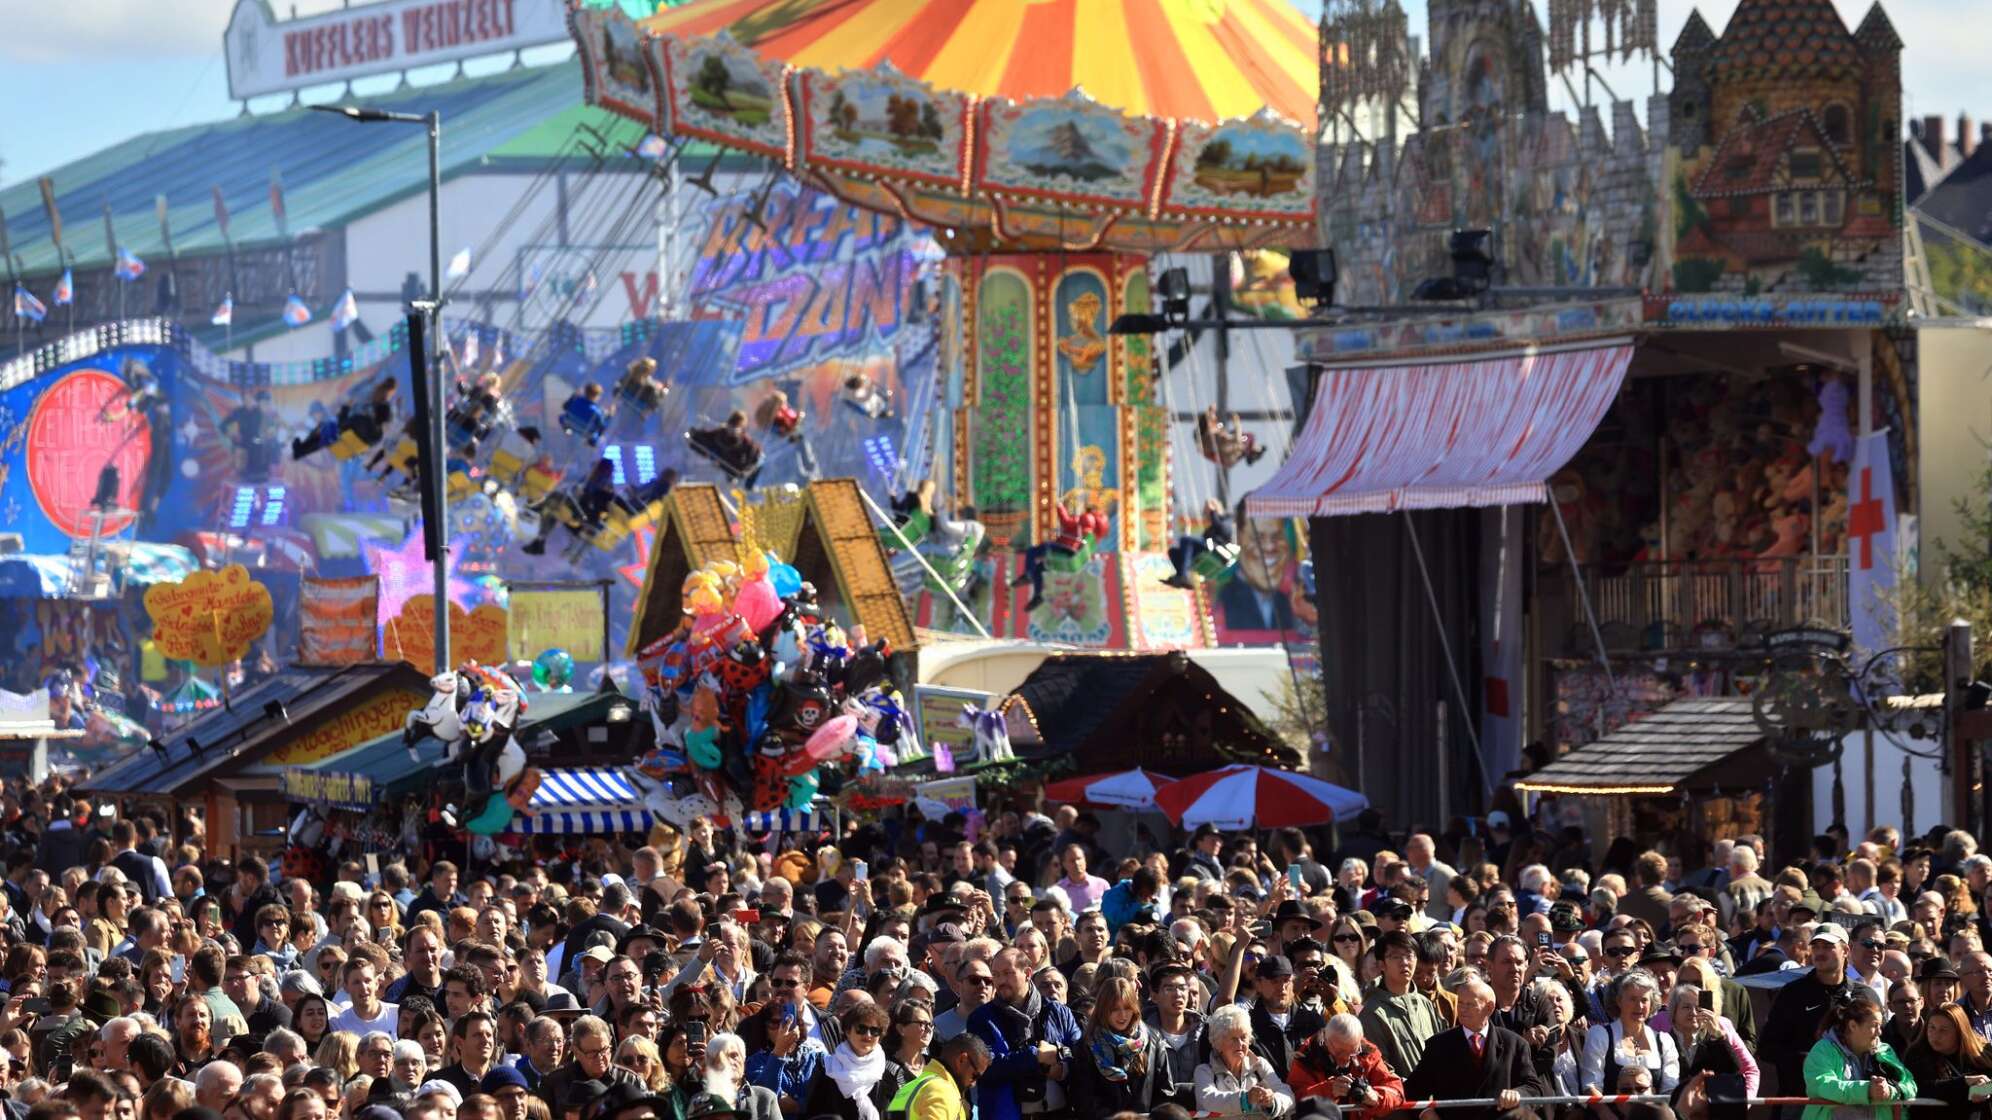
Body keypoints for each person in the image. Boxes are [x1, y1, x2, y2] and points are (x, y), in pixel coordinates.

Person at [1404, 976, 1546, 1120]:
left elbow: (1533, 1087)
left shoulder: (1515, 1044)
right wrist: (1427, 1114)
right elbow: (1414, 1089)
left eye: (1470, 1004)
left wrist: (1518, 1094)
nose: (1462, 1009)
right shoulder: (1438, 1045)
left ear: (1489, 1007)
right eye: (1460, 1003)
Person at [965, 948, 1079, 1120]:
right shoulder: (981, 1018)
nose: (1001, 981)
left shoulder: (1058, 1012)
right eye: (996, 975)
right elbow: (985, 1067)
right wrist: (1035, 1057)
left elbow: (1081, 1053)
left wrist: (1062, 1066)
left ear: (1027, 973)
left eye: (1007, 973)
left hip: (1060, 1113)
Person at [1764, 925, 1863, 1100]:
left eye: (1827, 946)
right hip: (1800, 1100)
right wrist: (1807, 1060)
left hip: (1852, 1099)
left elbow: (1878, 1046)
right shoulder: (1792, 994)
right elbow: (1767, 1047)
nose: (1819, 952)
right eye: (1816, 946)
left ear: (1846, 950)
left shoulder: (1863, 996)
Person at [1800, 994, 1916, 1120]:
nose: (1879, 1032)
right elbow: (1823, 1086)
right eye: (1874, 1025)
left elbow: (1910, 1085)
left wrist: (1891, 1090)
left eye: (1880, 1026)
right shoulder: (1823, 1050)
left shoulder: (1884, 1050)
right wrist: (1867, 1090)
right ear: (1853, 1026)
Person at [1068, 977, 1171, 1114]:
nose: (1122, 1015)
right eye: (1115, 1009)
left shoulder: (1153, 1039)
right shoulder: (1087, 1045)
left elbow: (1165, 1093)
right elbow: (1083, 1098)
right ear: (1103, 1009)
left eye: (1127, 1008)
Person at [1287, 1012, 1405, 1120]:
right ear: (1326, 1041)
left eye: (1352, 1052)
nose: (1345, 1059)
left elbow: (1396, 1092)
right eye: (1339, 1052)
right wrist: (1329, 1090)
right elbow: (1295, 1101)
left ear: (1359, 1043)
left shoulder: (1368, 1054)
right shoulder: (1308, 1056)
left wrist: (1376, 1097)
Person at [1581, 969, 1679, 1095]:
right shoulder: (1600, 1035)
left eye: (1644, 1000)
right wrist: (1609, 1115)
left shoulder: (1664, 1041)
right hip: (1609, 1113)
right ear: (1619, 1001)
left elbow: (1670, 1090)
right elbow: (1591, 1086)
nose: (1639, 1006)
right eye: (1632, 999)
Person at [1193, 1004, 1294, 1117]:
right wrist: (1245, 1099)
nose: (1240, 1044)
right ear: (1218, 1043)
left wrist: (1272, 1101)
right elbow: (1209, 1100)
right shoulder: (1204, 1071)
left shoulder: (1259, 1065)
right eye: (1233, 1039)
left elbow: (1287, 1094)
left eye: (1243, 1037)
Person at [798, 1000, 890, 1120]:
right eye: (861, 1028)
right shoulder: (826, 1068)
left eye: (874, 1031)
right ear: (847, 1031)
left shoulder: (886, 1072)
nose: (868, 1035)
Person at [1009, 501, 1107, 612]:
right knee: (1039, 568)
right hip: (1070, 551)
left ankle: (1028, 575)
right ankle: (1038, 595)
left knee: (1032, 551)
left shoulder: (1087, 518)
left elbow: (1067, 522)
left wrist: (1059, 507)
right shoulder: (1090, 524)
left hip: (1066, 547)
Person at [1904, 1003, 1992, 1120]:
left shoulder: (1982, 1052)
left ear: (1960, 1032)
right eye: (1932, 1027)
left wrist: (1983, 1089)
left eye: (1943, 1030)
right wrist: (1964, 1083)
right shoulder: (1916, 1054)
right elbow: (1921, 1090)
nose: (1935, 1035)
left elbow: (1987, 1086)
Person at [884, 1032, 989, 1120]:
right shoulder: (944, 1092)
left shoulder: (913, 1084)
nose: (973, 1084)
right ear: (962, 1060)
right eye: (975, 1076)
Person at [1163, 500, 1236, 590]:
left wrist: (1213, 513)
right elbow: (1204, 539)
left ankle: (1184, 576)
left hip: (1219, 551)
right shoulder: (1210, 528)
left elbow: (1224, 531)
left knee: (1186, 540)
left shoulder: (1227, 518)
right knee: (1173, 551)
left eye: (1208, 511)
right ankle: (1181, 577)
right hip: (1207, 549)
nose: (1207, 513)